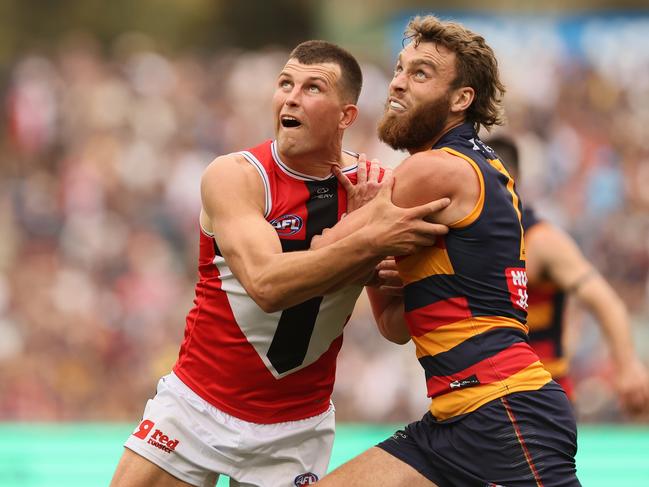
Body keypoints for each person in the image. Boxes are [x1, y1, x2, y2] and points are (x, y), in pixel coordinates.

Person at [109, 40, 450, 487]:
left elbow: (394, 326)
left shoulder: (378, 189)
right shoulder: (236, 176)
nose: (291, 96)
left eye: (312, 88)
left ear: (347, 115)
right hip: (197, 405)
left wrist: (413, 277)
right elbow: (266, 285)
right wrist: (367, 240)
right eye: (285, 83)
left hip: (295, 427)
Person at [315, 15, 581, 486]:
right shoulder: (474, 168)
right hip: (454, 421)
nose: (397, 82)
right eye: (399, 68)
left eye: (420, 73)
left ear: (461, 99)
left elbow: (324, 252)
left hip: (505, 413)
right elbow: (395, 327)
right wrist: (374, 256)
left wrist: (358, 230)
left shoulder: (437, 170)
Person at [486, 134, 649, 415]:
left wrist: (627, 366)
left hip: (541, 396)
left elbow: (605, 300)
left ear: (515, 180)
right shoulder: (462, 241)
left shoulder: (542, 243)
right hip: (484, 397)